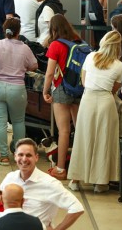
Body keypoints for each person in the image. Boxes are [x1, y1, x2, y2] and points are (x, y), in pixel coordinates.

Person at [67, 30, 122, 193]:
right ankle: (100, 182)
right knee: (104, 140)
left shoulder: (90, 57)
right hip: (106, 101)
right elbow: (114, 89)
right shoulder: (119, 66)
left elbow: (84, 82)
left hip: (88, 99)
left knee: (83, 137)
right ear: (117, 46)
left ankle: (76, 179)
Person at [0, 18, 38, 164]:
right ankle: (20, 155)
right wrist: (23, 67)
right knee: (18, 121)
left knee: (0, 122)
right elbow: (34, 66)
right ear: (18, 32)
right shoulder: (24, 48)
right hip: (17, 89)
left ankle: (4, 156)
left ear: (4, 30)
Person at [0, 138, 84, 229]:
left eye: (28, 155)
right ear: (15, 156)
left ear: (36, 157)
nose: (24, 159)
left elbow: (77, 208)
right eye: (20, 155)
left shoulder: (49, 183)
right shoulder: (10, 178)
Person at [41, 14, 83, 180]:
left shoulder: (56, 45)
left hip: (62, 89)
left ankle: (60, 169)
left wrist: (45, 91)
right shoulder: (80, 42)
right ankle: (81, 167)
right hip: (79, 89)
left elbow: (50, 72)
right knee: (80, 129)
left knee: (64, 131)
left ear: (53, 29)